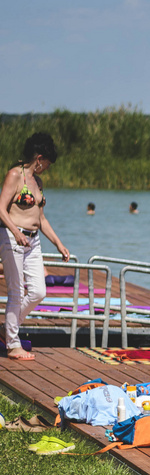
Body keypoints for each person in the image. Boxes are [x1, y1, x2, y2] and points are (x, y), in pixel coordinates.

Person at [0, 132, 71, 361]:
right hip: (12, 238)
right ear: (39, 158)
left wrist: (59, 244)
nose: (47, 169)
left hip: (34, 240)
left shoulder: (37, 183)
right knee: (16, 291)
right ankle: (12, 345)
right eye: (47, 164)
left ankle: (7, 329)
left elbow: (41, 219)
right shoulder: (15, 175)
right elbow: (1, 209)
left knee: (39, 291)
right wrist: (14, 231)